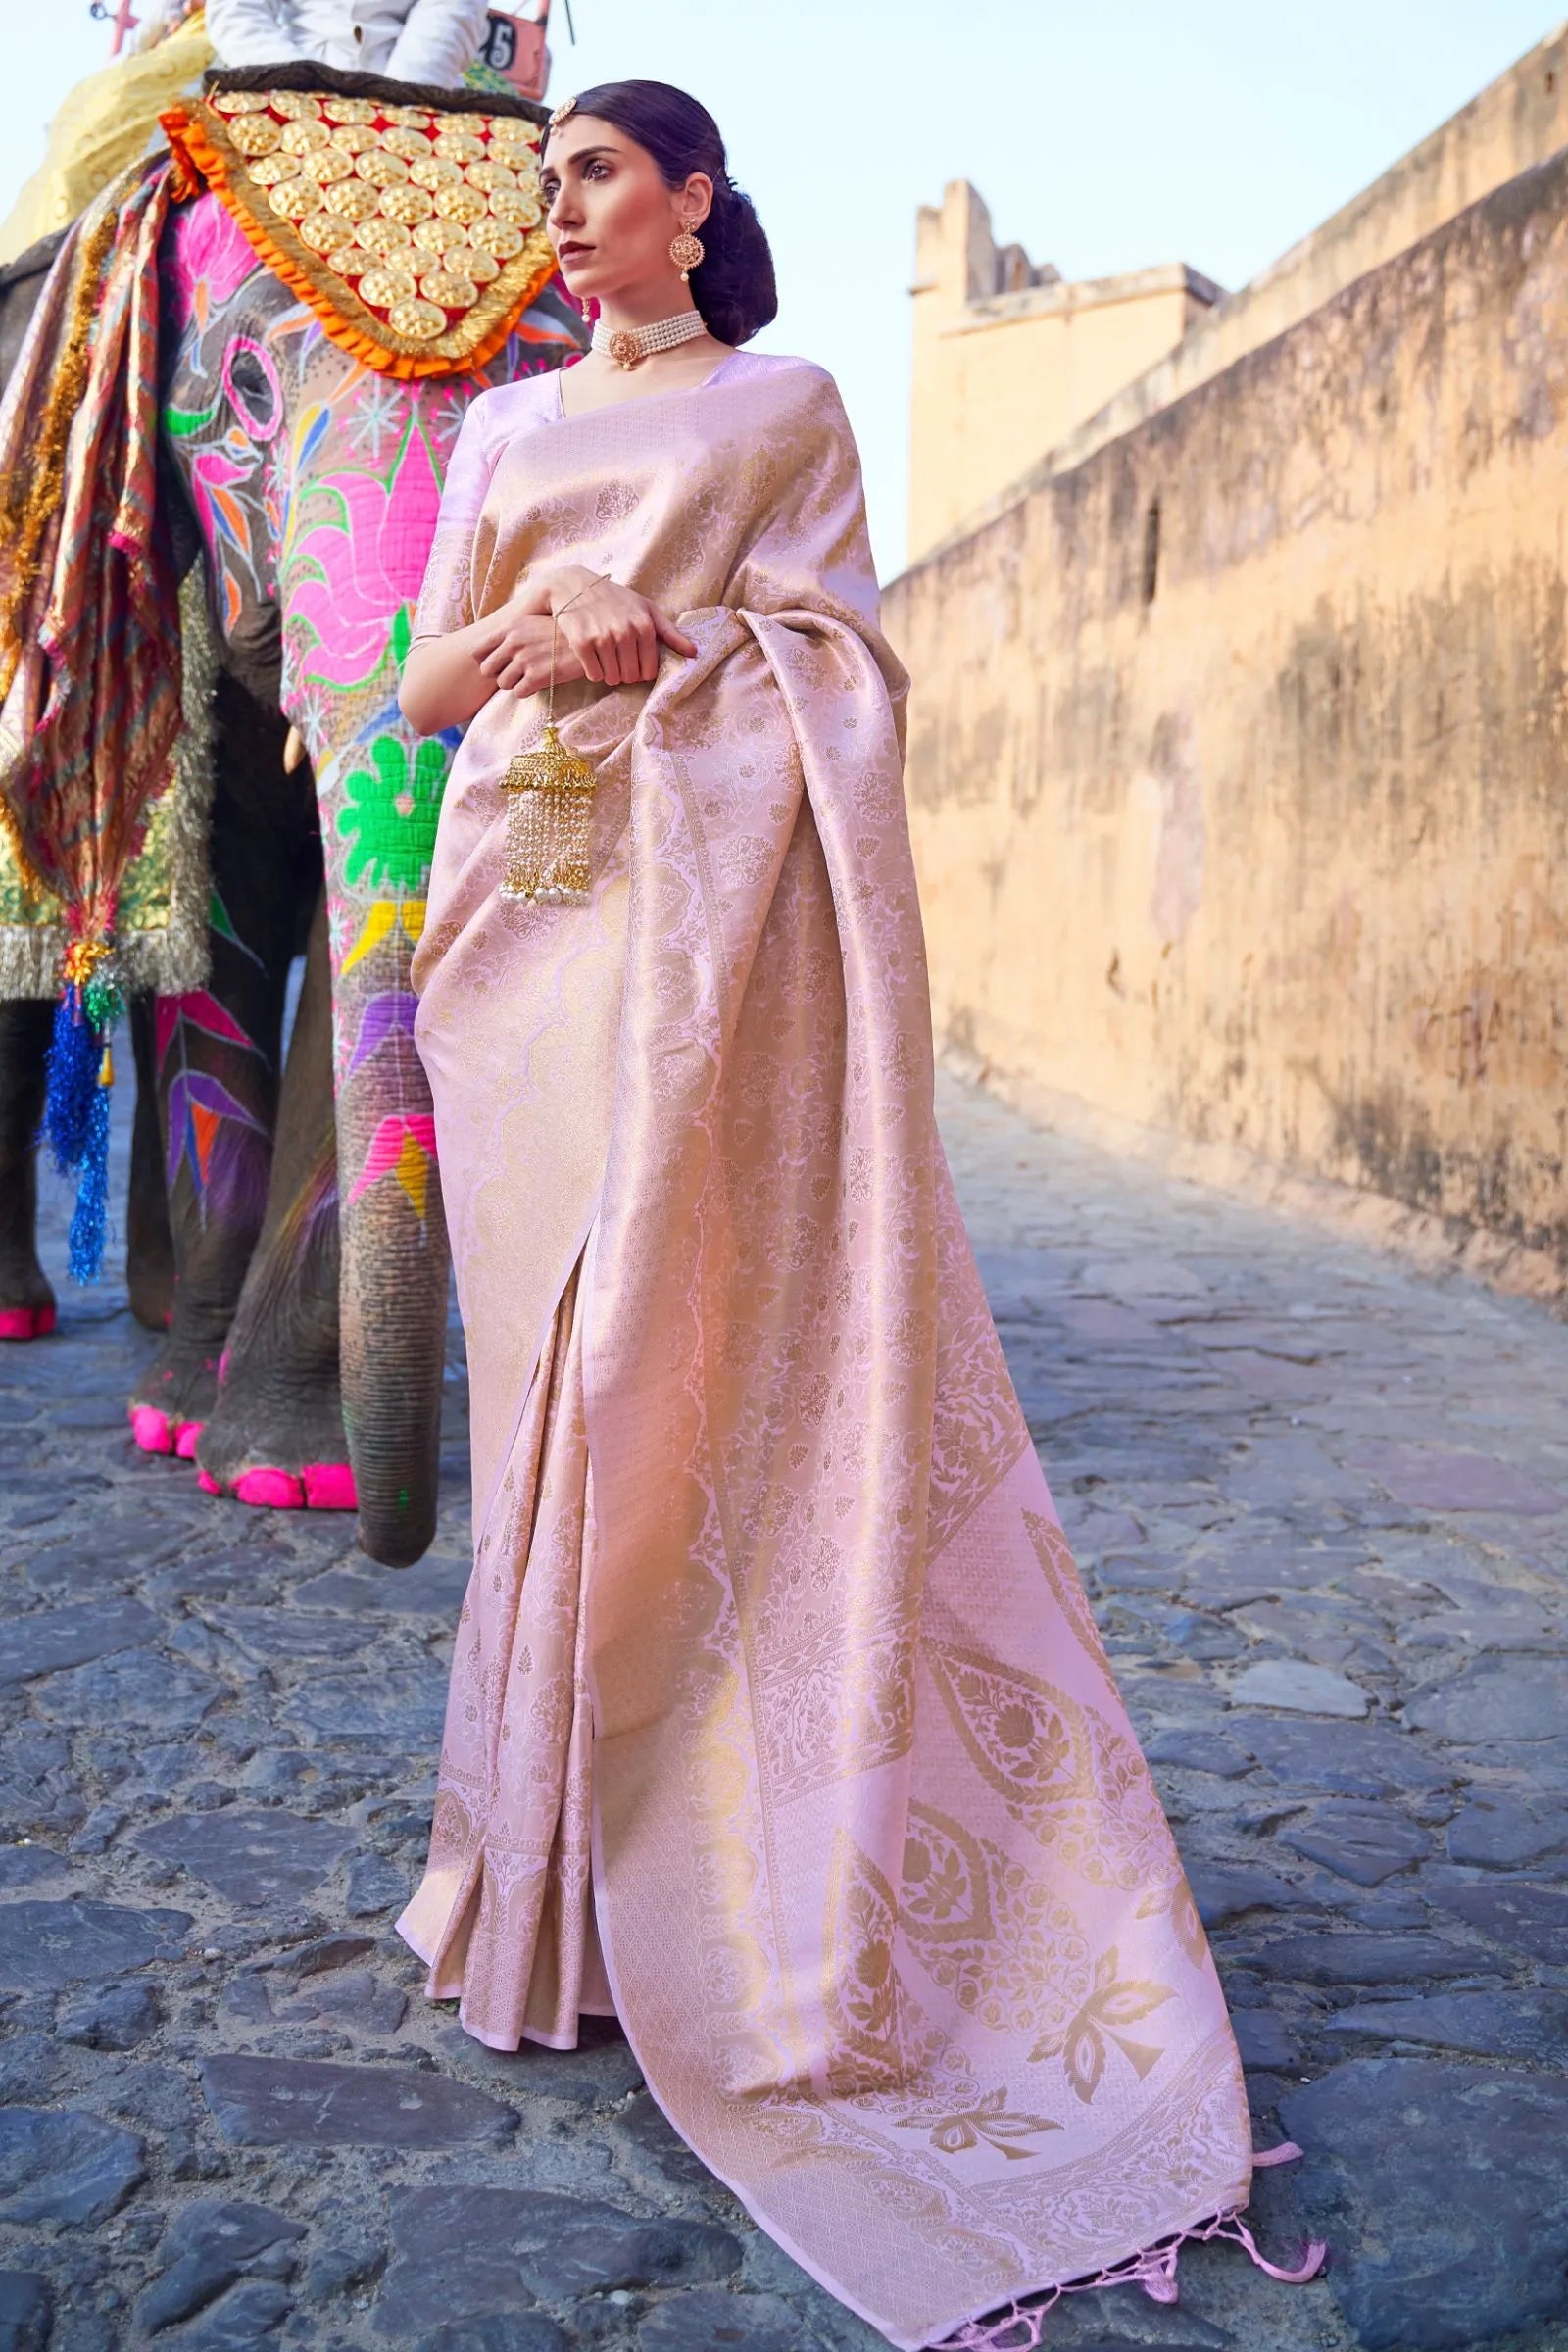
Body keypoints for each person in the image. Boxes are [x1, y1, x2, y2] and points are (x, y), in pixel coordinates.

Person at [395, 80, 1320, 2352]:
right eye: (551, 186)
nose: (567, 212)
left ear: (694, 197)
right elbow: (416, 683)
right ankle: (545, 1904)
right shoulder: (505, 437)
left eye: (596, 172)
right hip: (538, 931)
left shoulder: (785, 404)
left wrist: (684, 639)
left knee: (668, 1374)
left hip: (716, 952)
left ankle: (725, 1893)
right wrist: (543, 637)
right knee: (542, 1397)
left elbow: (851, 673)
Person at [205, 0, 490, 86]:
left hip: (416, 95)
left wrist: (397, 103)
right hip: (281, 83)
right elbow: (237, 11)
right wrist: (297, 84)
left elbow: (451, 16)